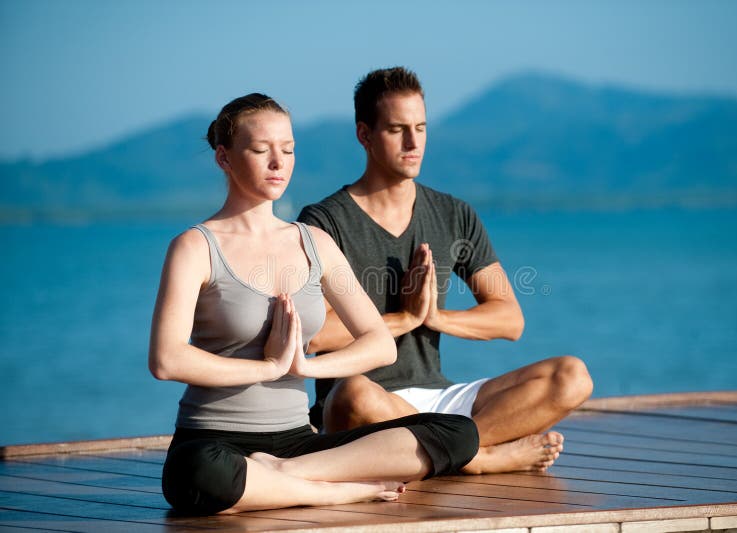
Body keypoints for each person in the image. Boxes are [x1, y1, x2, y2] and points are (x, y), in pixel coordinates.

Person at [148, 93, 479, 515]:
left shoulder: (314, 243)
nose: (278, 163)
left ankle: (282, 476)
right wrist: (266, 368)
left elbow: (379, 343)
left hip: (297, 441)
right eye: (260, 150)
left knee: (457, 433)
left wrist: (305, 367)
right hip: (214, 440)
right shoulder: (195, 248)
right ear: (224, 158)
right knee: (198, 472)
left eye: (287, 150)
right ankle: (332, 490)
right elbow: (166, 360)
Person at [298, 67, 593, 475]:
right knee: (355, 395)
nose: (413, 142)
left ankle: (450, 449)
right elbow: (311, 336)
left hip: (440, 400)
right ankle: (479, 457)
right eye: (397, 129)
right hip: (364, 402)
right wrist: (403, 319)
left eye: (420, 127)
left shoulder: (453, 215)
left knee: (572, 376)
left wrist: (437, 317)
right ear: (364, 135)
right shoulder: (322, 222)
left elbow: (509, 319)